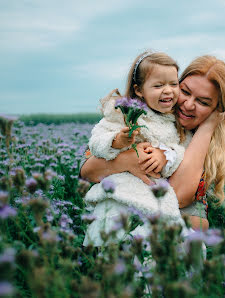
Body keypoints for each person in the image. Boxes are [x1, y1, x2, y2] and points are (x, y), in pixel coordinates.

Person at [81, 55, 225, 232]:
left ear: (217, 110)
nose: (188, 105)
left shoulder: (211, 148)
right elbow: (88, 170)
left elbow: (178, 196)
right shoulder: (141, 118)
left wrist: (208, 127)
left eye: (203, 102)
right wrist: (128, 159)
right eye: (185, 92)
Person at [83, 51, 189, 246]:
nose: (168, 91)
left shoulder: (173, 122)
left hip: (152, 194)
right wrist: (117, 141)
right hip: (117, 191)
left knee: (153, 242)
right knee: (110, 239)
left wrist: (165, 155)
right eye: (158, 85)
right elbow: (96, 141)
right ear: (139, 90)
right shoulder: (121, 113)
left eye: (173, 84)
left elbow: (178, 150)